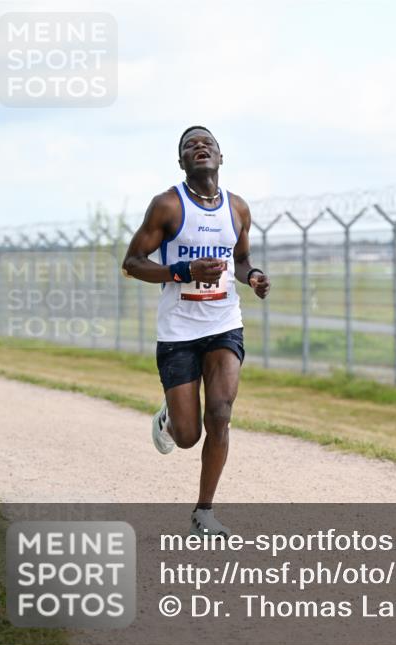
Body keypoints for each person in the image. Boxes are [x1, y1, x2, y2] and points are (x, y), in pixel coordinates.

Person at [122, 126, 270, 537]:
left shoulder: (237, 208)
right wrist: (181, 271)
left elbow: (240, 261)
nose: (199, 146)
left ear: (220, 158)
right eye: (190, 145)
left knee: (220, 413)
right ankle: (171, 419)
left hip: (224, 323)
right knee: (188, 436)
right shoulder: (167, 206)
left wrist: (253, 275)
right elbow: (132, 262)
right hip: (178, 331)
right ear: (182, 161)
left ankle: (204, 511)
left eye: (207, 143)